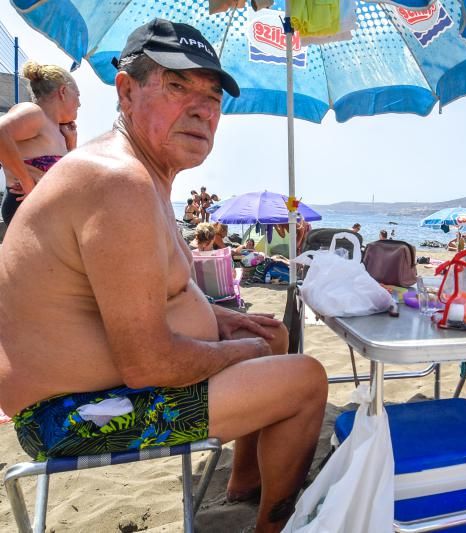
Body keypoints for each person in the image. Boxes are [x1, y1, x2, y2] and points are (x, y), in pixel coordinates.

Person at [0, 19, 327, 533]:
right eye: (177, 86)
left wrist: (222, 321)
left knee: (271, 332)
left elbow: (150, 296)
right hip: (72, 417)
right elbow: (148, 363)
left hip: (100, 391)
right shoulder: (117, 182)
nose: (202, 109)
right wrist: (241, 350)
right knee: (305, 378)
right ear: (126, 91)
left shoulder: (142, 177)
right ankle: (271, 527)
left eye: (214, 97)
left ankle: (242, 482)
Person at [0, 60, 80, 226]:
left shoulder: (59, 131)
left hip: (46, 213)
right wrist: (27, 183)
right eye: (77, 96)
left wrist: (71, 143)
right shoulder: (35, 113)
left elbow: (70, 179)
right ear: (63, 91)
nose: (79, 103)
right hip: (27, 210)